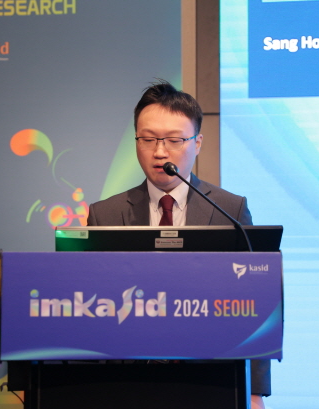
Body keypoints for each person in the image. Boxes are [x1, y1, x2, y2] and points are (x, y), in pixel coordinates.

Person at [87, 80, 270, 408]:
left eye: (174, 140)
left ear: (197, 143)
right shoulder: (105, 215)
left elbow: (256, 300)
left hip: (211, 379)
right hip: (125, 384)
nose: (160, 152)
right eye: (148, 139)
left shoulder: (229, 210)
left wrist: (254, 391)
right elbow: (89, 306)